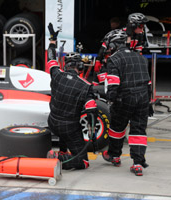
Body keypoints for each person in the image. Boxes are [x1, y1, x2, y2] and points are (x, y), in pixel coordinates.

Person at [102, 13, 153, 176]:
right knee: (139, 130)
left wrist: (110, 99)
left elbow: (114, 83)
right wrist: (149, 103)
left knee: (117, 127)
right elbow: (148, 82)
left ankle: (114, 156)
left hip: (125, 98)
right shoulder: (141, 58)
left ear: (113, 46)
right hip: (143, 97)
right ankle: (138, 163)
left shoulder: (115, 59)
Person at [46, 23, 98, 170]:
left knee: (65, 124)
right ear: (80, 67)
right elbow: (91, 110)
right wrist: (91, 131)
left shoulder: (56, 73)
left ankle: (62, 151)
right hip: (69, 127)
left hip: (52, 121)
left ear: (66, 65)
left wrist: (52, 40)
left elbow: (51, 56)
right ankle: (58, 158)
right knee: (84, 162)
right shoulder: (86, 86)